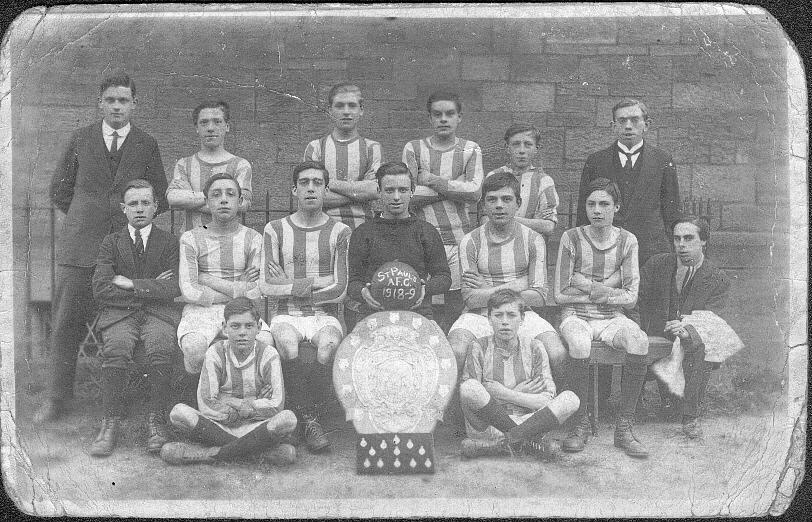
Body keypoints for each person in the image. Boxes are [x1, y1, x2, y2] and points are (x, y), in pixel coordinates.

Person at [37, 73, 168, 424]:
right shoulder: (81, 138)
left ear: (134, 105)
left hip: (126, 253)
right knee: (66, 323)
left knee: (129, 320)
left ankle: (127, 400)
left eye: (123, 100)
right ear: (100, 103)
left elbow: (160, 196)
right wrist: (87, 217)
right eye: (110, 100)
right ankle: (56, 399)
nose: (116, 106)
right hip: (80, 249)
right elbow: (59, 190)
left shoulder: (146, 144)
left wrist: (123, 225)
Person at [555, 178, 651, 458]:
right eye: (591, 204)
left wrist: (585, 284)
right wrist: (607, 289)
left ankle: (624, 428)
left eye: (604, 204)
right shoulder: (571, 237)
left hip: (612, 316)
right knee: (579, 343)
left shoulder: (627, 240)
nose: (597, 210)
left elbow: (631, 296)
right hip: (576, 315)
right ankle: (580, 423)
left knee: (639, 341)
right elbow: (560, 293)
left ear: (616, 207)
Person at [261, 161, 351, 453]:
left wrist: (292, 284)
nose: (310, 188)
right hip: (285, 314)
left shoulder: (340, 231)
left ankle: (308, 417)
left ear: (326, 189)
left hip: (325, 314)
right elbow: (266, 286)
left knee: (327, 347)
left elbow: (339, 290)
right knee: (287, 344)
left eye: (317, 183)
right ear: (294, 189)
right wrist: (318, 281)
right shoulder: (275, 229)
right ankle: (309, 419)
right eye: (304, 182)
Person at [89, 179, 182, 457]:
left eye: (145, 203)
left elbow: (174, 286)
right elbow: (101, 288)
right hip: (120, 314)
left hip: (158, 314)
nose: (139, 209)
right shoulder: (111, 242)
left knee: (161, 349)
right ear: (123, 209)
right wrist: (151, 286)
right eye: (133, 204)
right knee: (116, 350)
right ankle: (110, 422)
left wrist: (130, 283)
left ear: (155, 207)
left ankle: (157, 420)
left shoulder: (169, 241)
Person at [448, 172, 566, 380]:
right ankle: (455, 411)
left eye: (506, 199)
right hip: (479, 315)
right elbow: (471, 298)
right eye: (492, 200)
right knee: (456, 351)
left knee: (557, 353)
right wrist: (519, 284)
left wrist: (488, 289)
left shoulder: (533, 240)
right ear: (483, 206)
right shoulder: (470, 241)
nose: (499, 205)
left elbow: (538, 297)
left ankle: (552, 406)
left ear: (518, 203)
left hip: (522, 314)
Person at [160, 297, 297, 467]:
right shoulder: (215, 353)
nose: (242, 332)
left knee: (288, 419)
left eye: (249, 326)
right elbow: (206, 403)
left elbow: (276, 405)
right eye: (235, 326)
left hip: (254, 425)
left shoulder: (269, 355)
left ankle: (207, 454)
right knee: (178, 412)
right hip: (221, 425)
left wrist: (228, 400)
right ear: (224, 327)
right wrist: (250, 404)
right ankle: (258, 452)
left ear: (259, 327)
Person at [639, 216, 731, 439]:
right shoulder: (657, 264)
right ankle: (653, 401)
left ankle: (691, 416)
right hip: (655, 332)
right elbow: (638, 300)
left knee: (706, 342)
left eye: (689, 238)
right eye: (677, 238)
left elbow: (713, 317)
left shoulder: (717, 278)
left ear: (704, 242)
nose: (681, 245)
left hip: (690, 339)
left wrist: (688, 328)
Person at [459, 289, 579, 459]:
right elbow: (471, 397)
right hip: (489, 427)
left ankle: (504, 444)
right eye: (498, 315)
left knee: (571, 399)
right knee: (468, 387)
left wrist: (506, 394)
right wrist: (523, 394)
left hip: (530, 421)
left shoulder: (535, 347)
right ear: (489, 319)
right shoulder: (478, 346)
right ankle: (526, 442)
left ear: (522, 318)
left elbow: (546, 399)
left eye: (511, 315)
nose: (505, 322)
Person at [402, 90, 484, 333]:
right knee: (421, 297)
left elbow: (476, 192)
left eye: (450, 114)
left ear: (460, 117)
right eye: (437, 114)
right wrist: (454, 185)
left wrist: (432, 180)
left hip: (458, 238)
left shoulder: (470, 149)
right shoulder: (414, 148)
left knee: (456, 301)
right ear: (429, 118)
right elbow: (408, 195)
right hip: (421, 238)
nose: (443, 119)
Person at [176, 173, 273, 378]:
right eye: (216, 194)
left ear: (239, 201)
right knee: (193, 347)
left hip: (241, 310)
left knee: (265, 343)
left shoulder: (253, 238)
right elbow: (190, 292)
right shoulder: (191, 238)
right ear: (207, 202)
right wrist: (238, 287)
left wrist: (204, 278)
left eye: (230, 194)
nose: (223, 199)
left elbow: (255, 290)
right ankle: (196, 400)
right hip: (200, 311)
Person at [576, 98, 681, 265]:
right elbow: (584, 213)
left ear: (647, 125)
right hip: (605, 250)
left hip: (651, 252)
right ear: (613, 126)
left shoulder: (663, 161)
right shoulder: (596, 161)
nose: (628, 126)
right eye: (622, 120)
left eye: (635, 120)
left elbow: (672, 212)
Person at [347, 162, 451, 328]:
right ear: (379, 192)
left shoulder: (426, 231)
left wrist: (425, 288)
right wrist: (363, 293)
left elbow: (444, 277)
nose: (396, 197)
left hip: (418, 314)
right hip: (373, 314)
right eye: (389, 190)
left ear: (412, 191)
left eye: (402, 190)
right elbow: (353, 282)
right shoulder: (363, 232)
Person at [303, 82, 382, 231]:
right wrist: (359, 193)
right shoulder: (316, 147)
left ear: (361, 110)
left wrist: (329, 183)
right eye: (339, 106)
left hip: (363, 228)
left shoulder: (372, 147)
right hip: (321, 229)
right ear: (330, 110)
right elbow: (312, 195)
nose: (346, 112)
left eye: (352, 105)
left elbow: (373, 190)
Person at [166, 100, 253, 232]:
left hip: (229, 241)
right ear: (197, 128)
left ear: (227, 126)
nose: (210, 128)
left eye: (217, 122)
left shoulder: (240, 165)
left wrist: (190, 196)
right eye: (204, 122)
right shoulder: (184, 164)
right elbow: (173, 198)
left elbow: (242, 204)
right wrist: (223, 199)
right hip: (191, 242)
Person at [483, 123, 559, 238]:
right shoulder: (493, 175)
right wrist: (533, 222)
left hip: (530, 246)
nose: (521, 150)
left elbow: (548, 226)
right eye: (516, 144)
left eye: (528, 144)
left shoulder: (544, 181)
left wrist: (504, 218)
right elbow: (484, 220)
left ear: (536, 149)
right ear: (507, 148)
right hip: (497, 244)